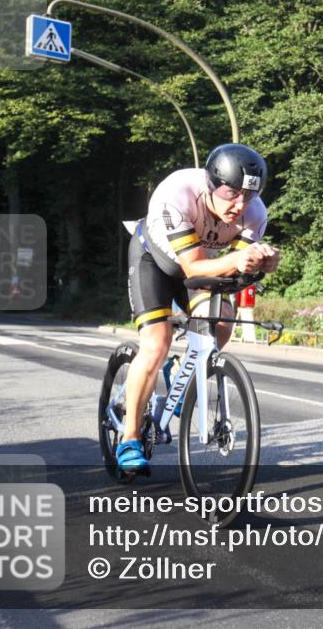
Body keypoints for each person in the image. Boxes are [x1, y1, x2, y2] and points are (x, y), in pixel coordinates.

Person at [119, 144, 280, 472]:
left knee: (222, 320)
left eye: (248, 196)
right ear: (211, 184)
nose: (239, 205)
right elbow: (192, 267)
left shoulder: (255, 212)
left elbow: (235, 272)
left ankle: (181, 371)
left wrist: (261, 265)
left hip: (202, 265)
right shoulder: (177, 194)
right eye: (231, 193)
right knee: (157, 343)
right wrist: (238, 259)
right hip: (155, 261)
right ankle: (130, 438)